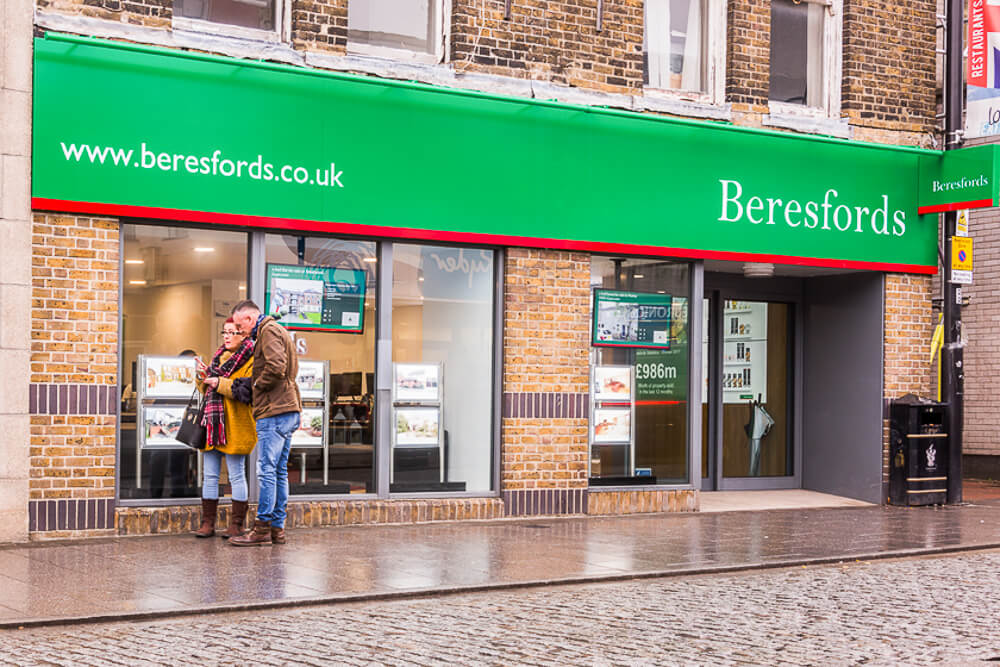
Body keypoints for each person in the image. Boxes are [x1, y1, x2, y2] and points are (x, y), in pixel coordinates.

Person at [228, 299, 301, 546]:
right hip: (287, 408)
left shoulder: (268, 331)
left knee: (267, 470)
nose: (239, 331)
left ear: (250, 319)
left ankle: (261, 528)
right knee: (279, 471)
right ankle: (277, 530)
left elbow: (276, 367)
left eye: (240, 325)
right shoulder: (277, 330)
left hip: (274, 411)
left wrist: (256, 385)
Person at [192, 318, 256, 539]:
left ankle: (236, 524)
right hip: (213, 425)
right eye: (224, 332)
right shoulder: (218, 358)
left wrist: (217, 382)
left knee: (236, 476)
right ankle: (207, 522)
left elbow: (246, 392)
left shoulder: (252, 360)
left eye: (232, 332)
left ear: (244, 335)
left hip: (236, 425)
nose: (227, 336)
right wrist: (202, 376)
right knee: (209, 476)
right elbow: (206, 390)